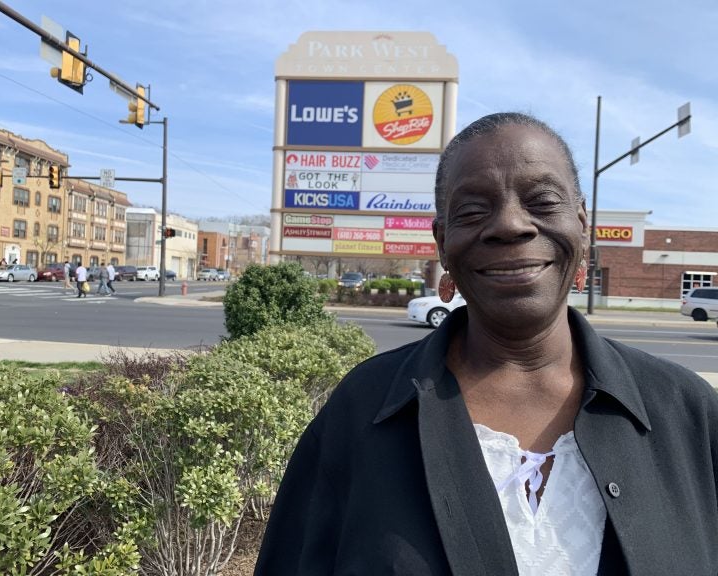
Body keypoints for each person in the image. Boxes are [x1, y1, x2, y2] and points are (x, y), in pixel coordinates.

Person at [255, 113, 718, 575]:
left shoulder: (686, 412)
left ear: (582, 224)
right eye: (474, 210)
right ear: (442, 242)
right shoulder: (360, 412)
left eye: (542, 201)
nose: (511, 225)